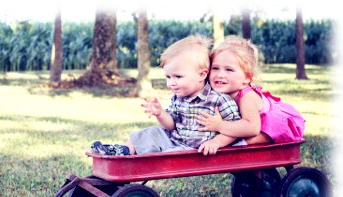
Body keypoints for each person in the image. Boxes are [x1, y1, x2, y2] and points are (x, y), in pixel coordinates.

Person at [91, 35, 242, 156]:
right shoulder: (178, 97)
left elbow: (235, 130)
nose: (171, 83)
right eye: (168, 77)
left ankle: (142, 159)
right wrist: (160, 113)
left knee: (167, 155)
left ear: (202, 74)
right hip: (175, 141)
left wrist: (216, 142)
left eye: (178, 77)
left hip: (194, 150)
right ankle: (122, 151)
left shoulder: (219, 100)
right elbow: (171, 125)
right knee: (151, 132)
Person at [196, 35, 305, 144]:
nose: (220, 74)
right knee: (231, 134)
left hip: (274, 124)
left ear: (247, 77)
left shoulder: (247, 97)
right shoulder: (216, 91)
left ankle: (239, 146)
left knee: (244, 139)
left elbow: (252, 128)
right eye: (215, 68)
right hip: (250, 123)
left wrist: (219, 126)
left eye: (229, 70)